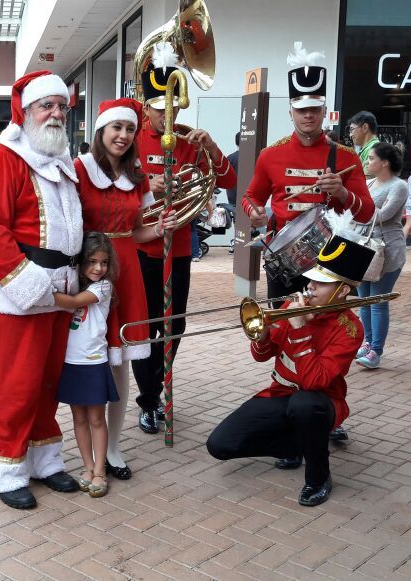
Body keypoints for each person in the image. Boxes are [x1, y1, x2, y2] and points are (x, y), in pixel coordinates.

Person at [0, 70, 83, 509]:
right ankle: (5, 469)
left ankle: (43, 460)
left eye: (61, 106)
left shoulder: (61, 159)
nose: (56, 113)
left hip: (58, 291)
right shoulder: (3, 158)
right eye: (47, 106)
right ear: (27, 111)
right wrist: (32, 286)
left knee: (46, 383)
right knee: (14, 385)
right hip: (15, 294)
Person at [207, 229, 376, 507]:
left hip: (321, 401)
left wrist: (300, 331)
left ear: (342, 290)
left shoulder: (350, 329)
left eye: (320, 284)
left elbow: (315, 382)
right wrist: (261, 337)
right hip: (280, 395)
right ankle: (298, 444)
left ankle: (318, 478)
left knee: (305, 405)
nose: (310, 287)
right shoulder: (290, 305)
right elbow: (262, 356)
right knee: (220, 445)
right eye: (311, 279)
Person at [131, 41, 237, 435]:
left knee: (175, 326)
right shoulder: (131, 137)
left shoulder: (191, 138)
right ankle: (147, 399)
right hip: (142, 246)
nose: (168, 118)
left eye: (173, 110)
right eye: (161, 112)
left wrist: (210, 147)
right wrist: (146, 184)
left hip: (178, 249)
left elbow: (227, 180)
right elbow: (112, 186)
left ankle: (157, 388)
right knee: (146, 326)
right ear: (147, 108)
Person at [75, 97, 177, 480]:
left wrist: (160, 228)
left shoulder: (137, 176)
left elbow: (136, 232)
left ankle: (113, 448)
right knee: (85, 356)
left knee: (120, 363)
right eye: (116, 127)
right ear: (101, 130)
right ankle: (84, 446)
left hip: (127, 271)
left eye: (130, 129)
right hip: (89, 272)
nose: (123, 135)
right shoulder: (79, 169)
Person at [244, 43, 374, 300]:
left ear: (325, 111)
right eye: (302, 110)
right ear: (290, 111)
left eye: (315, 109)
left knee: (326, 333)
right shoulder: (270, 155)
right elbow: (250, 197)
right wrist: (255, 213)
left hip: (331, 259)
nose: (308, 116)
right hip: (284, 259)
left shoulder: (346, 156)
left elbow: (367, 212)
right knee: (283, 329)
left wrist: (342, 193)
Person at [53, 232, 120, 499]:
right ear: (81, 263)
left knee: (95, 418)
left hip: (93, 362)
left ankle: (101, 470)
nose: (98, 268)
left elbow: (72, 303)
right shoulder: (75, 283)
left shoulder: (103, 287)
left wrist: (39, 288)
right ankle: (87, 467)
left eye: (103, 262)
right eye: (92, 261)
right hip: (71, 362)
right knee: (78, 418)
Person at [355, 143, 408, 369]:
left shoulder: (399, 186)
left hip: (387, 249)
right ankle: (367, 342)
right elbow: (355, 209)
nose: (368, 162)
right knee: (364, 301)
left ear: (384, 162)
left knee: (377, 301)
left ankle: (376, 350)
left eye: (372, 158)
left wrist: (356, 210)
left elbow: (382, 214)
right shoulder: (368, 183)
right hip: (364, 247)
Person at [347, 111, 380, 177]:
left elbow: (366, 180)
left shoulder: (373, 150)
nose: (350, 135)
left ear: (365, 128)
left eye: (352, 129)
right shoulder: (372, 148)